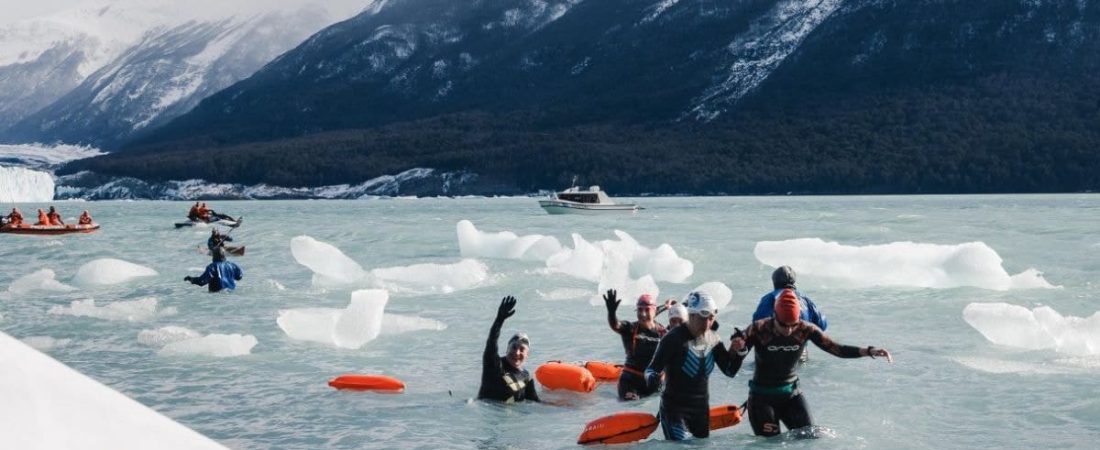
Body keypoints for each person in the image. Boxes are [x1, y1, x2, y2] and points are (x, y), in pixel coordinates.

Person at [731, 288, 892, 437]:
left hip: (791, 395)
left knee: (809, 438)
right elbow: (733, 362)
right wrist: (738, 348)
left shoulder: (805, 329)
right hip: (762, 398)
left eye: (792, 325)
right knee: (771, 445)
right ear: (775, 315)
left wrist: (868, 351)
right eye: (783, 325)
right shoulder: (759, 329)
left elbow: (836, 349)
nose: (788, 330)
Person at [644, 290, 738, 441]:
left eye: (711, 318)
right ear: (691, 315)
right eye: (703, 318)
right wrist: (653, 379)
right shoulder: (672, 339)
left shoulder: (713, 339)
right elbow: (651, 369)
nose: (707, 323)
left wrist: (739, 352)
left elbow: (730, 371)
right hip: (674, 411)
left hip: (700, 411)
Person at [603, 289, 667, 400]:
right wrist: (611, 313)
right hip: (630, 383)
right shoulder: (630, 329)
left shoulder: (663, 332)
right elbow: (616, 325)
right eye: (639, 310)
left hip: (655, 384)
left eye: (647, 310)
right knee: (631, 404)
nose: (642, 314)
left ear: (654, 311)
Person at [478, 296, 539, 403]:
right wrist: (499, 320)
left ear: (527, 355)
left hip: (509, 417)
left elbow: (535, 403)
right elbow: (491, 343)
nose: (517, 352)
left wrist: (560, 407)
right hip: (486, 414)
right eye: (514, 347)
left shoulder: (526, 378)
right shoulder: (494, 365)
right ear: (507, 349)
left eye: (522, 349)